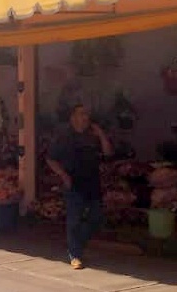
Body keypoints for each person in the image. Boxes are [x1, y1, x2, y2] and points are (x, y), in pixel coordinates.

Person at [46, 104, 113, 270]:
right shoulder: (64, 136)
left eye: (87, 114)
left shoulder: (92, 136)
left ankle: (77, 243)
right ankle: (75, 254)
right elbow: (51, 159)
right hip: (73, 183)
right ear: (73, 117)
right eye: (82, 114)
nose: (85, 117)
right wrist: (63, 175)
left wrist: (101, 135)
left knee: (96, 218)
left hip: (92, 182)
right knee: (74, 220)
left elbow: (108, 153)